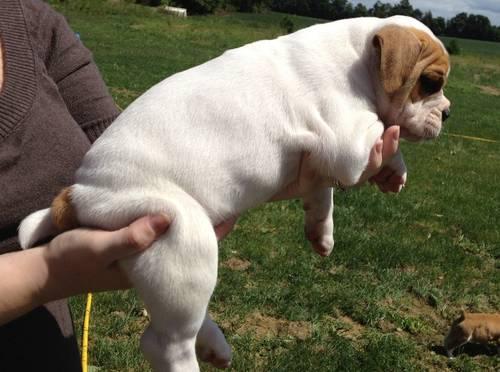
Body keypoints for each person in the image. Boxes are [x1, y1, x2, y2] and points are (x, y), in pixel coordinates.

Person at [0, 0, 403, 370]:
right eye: (428, 86)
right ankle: (173, 345)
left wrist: (274, 178)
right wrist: (47, 271)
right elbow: (349, 161)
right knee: (186, 231)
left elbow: (109, 136)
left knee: (190, 235)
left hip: (50, 340)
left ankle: (186, 317)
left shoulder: (33, 22)